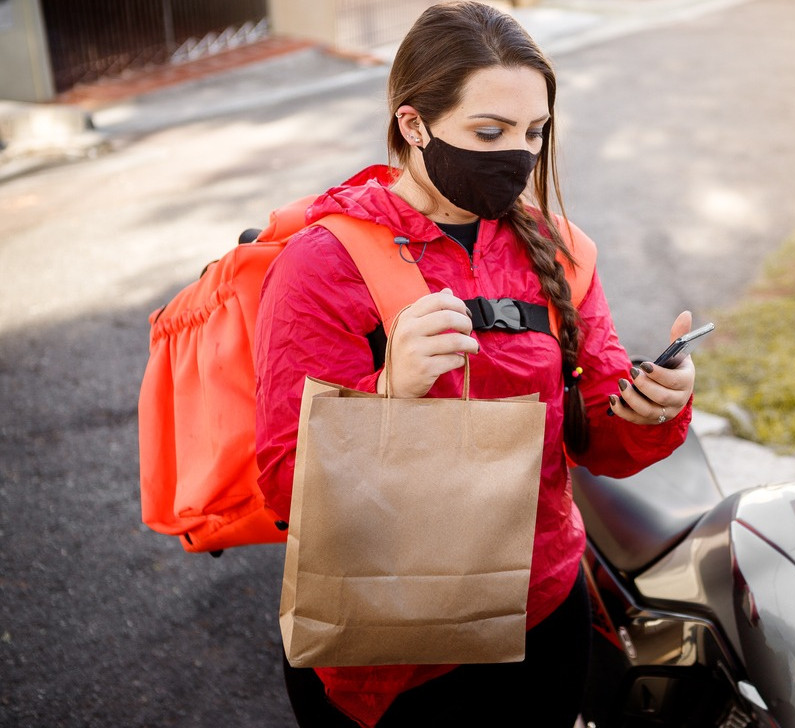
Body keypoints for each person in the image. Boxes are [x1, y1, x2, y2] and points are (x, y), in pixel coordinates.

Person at [252, 2, 696, 726]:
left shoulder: (557, 248)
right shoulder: (325, 264)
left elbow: (597, 445)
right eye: (489, 132)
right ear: (414, 124)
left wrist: (655, 405)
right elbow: (282, 488)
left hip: (542, 616)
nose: (517, 155)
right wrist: (389, 390)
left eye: (533, 131)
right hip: (391, 649)